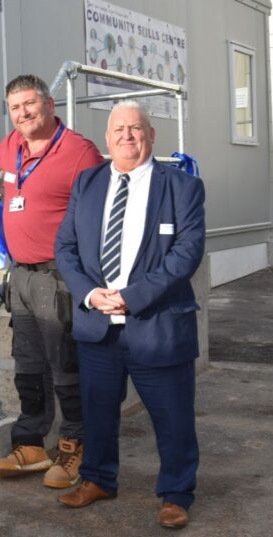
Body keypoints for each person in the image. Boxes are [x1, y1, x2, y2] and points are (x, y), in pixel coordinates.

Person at [0, 75, 103, 487]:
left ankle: (74, 447)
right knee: (29, 366)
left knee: (65, 366)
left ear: (49, 104)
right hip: (23, 277)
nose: (23, 113)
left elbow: (100, 216)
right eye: (15, 107)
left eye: (30, 104)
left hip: (60, 277)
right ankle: (31, 443)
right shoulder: (13, 144)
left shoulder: (79, 152)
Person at [54, 100, 205, 529]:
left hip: (156, 325)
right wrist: (89, 295)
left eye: (136, 128)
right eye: (118, 129)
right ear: (107, 138)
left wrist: (132, 297)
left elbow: (185, 256)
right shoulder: (87, 182)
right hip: (98, 325)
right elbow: (65, 248)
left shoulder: (182, 187)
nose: (127, 136)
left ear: (152, 136)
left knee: (173, 417)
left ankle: (176, 493)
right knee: (98, 412)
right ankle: (98, 479)